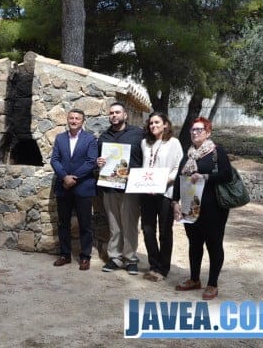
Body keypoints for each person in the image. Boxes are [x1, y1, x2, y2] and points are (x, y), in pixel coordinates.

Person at [172, 117, 232, 300]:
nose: (194, 132)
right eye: (192, 129)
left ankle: (212, 284)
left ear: (208, 133)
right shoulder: (188, 154)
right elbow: (179, 179)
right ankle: (194, 279)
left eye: (199, 130)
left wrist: (205, 176)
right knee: (194, 244)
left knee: (214, 245)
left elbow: (226, 174)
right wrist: (175, 202)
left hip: (214, 208)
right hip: (191, 206)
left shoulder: (216, 151)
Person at [97, 102, 144, 275]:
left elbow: (146, 157)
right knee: (114, 225)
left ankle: (131, 258)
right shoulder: (104, 137)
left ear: (125, 115)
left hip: (130, 188)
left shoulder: (138, 134)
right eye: (111, 113)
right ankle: (115, 257)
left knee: (130, 224)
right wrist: (99, 162)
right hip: (109, 188)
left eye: (117, 112)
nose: (114, 115)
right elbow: (98, 161)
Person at [50, 109, 98, 270]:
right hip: (63, 187)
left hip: (83, 187)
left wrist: (73, 178)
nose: (74, 121)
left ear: (82, 121)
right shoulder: (60, 138)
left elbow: (91, 162)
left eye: (77, 118)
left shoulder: (90, 139)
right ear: (67, 119)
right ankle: (65, 255)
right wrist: (64, 177)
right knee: (63, 223)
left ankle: (85, 257)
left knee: (85, 224)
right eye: (71, 118)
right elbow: (55, 160)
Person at [140, 112, 183, 281]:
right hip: (146, 192)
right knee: (147, 229)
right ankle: (153, 264)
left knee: (165, 231)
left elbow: (178, 167)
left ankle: (163, 268)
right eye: (151, 123)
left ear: (165, 124)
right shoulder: (145, 143)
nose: (153, 126)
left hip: (165, 192)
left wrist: (165, 181)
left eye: (157, 122)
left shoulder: (174, 143)